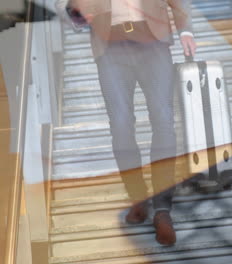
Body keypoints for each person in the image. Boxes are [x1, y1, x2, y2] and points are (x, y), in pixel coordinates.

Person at [56, 0, 197, 246]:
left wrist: (185, 29)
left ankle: (163, 210)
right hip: (110, 47)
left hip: (153, 41)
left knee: (163, 120)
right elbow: (64, 6)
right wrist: (74, 13)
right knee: (120, 124)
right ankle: (137, 198)